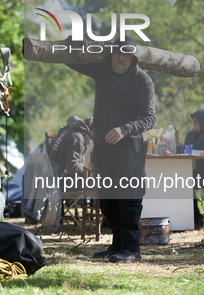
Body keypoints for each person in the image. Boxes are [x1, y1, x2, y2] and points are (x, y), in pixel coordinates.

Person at [67, 36, 156, 263]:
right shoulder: (102, 71)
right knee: (108, 199)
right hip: (103, 148)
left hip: (129, 148)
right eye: (117, 53)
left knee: (128, 198)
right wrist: (73, 41)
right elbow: (71, 60)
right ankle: (117, 245)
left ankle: (131, 249)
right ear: (110, 55)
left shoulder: (143, 81)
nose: (120, 58)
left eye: (125, 54)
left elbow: (149, 118)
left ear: (133, 57)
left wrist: (125, 128)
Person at [49, 115, 92, 189]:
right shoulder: (76, 136)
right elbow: (72, 167)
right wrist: (88, 168)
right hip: (62, 182)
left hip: (54, 178)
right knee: (99, 179)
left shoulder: (66, 132)